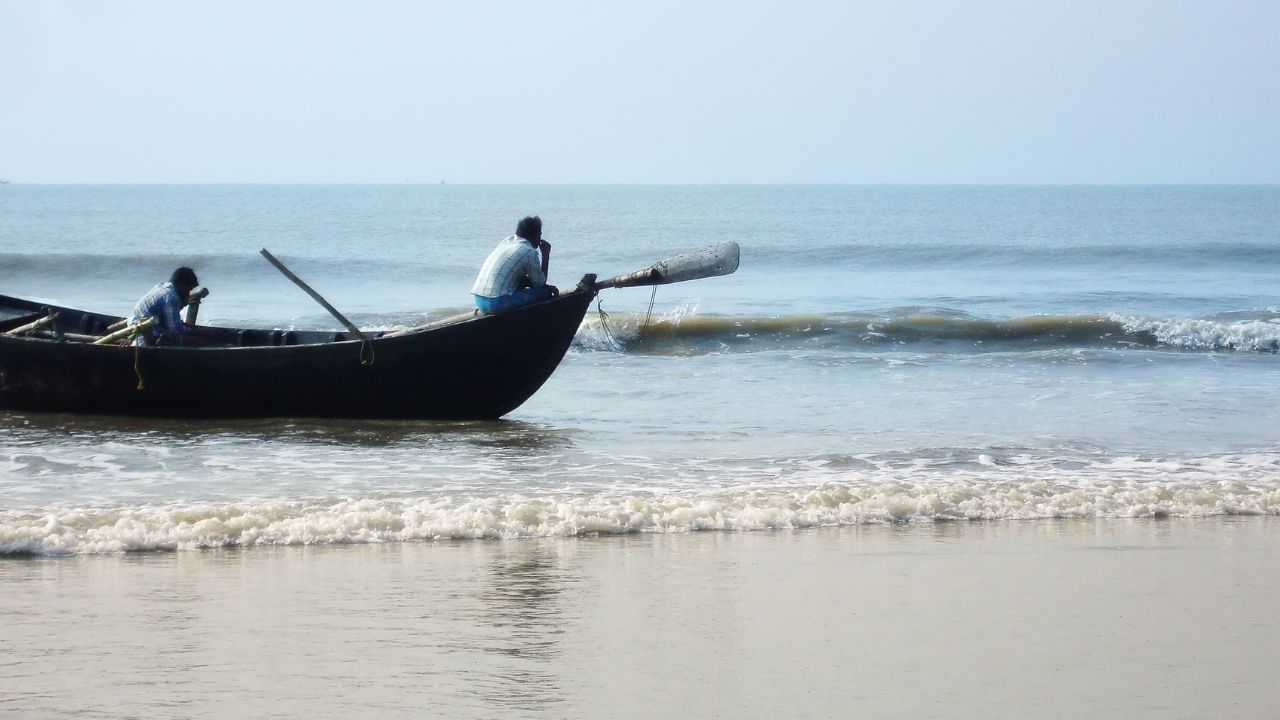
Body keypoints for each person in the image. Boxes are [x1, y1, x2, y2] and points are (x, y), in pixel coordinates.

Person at [470, 216, 559, 314]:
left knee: (522, 282)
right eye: (540, 234)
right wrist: (546, 256)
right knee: (544, 293)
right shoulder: (528, 251)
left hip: (479, 300)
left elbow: (523, 280)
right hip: (496, 302)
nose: (540, 238)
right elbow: (539, 283)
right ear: (534, 234)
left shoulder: (506, 242)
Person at [130, 267, 200, 346]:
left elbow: (172, 324)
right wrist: (195, 332)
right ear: (181, 284)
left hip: (135, 332)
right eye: (189, 289)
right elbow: (173, 331)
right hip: (146, 340)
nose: (188, 294)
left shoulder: (161, 286)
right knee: (197, 342)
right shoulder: (171, 297)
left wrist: (188, 328)